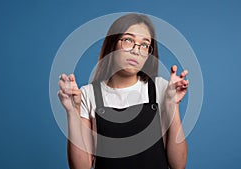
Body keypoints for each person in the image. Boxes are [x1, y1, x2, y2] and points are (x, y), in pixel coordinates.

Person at [58, 13, 189, 169]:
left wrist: (172, 104)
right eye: (128, 40)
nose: (136, 50)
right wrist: (72, 112)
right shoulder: (89, 94)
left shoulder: (160, 88)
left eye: (144, 45)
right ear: (112, 44)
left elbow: (178, 165)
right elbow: (81, 167)